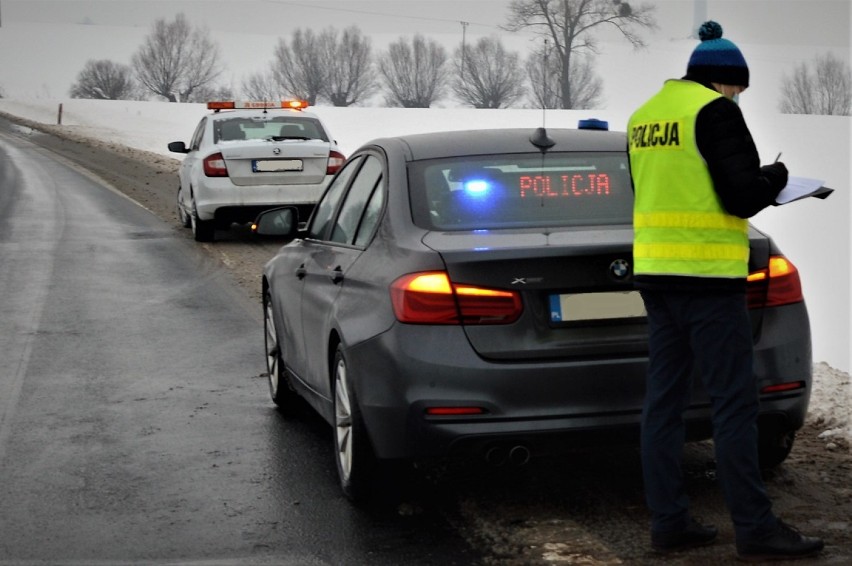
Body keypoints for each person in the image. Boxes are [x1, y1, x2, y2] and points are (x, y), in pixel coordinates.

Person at [627, 21, 825, 561]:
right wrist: (777, 178)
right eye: (738, 87)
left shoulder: (644, 117)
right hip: (708, 281)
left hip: (657, 277)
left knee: (662, 404)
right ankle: (756, 530)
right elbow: (739, 197)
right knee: (735, 405)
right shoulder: (716, 111)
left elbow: (668, 186)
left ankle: (669, 522)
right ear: (724, 80)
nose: (738, 96)